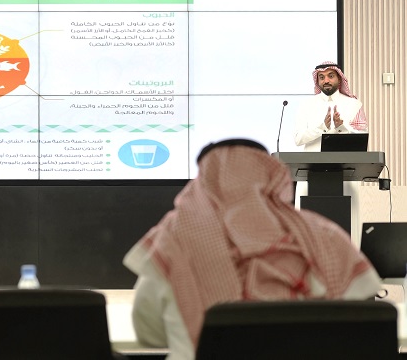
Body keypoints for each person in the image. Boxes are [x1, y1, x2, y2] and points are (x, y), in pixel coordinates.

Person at [123, 139, 381, 360]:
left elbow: (149, 333)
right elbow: (364, 322)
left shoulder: (174, 240)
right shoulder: (323, 236)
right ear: (269, 174)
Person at [293, 61, 368, 245]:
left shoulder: (354, 104)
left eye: (330, 76)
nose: (326, 80)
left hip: (346, 175)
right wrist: (321, 128)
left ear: (339, 79)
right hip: (310, 174)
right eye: (321, 77)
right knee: (309, 230)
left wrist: (342, 126)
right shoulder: (306, 105)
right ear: (317, 80)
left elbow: (362, 136)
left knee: (348, 228)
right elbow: (298, 138)